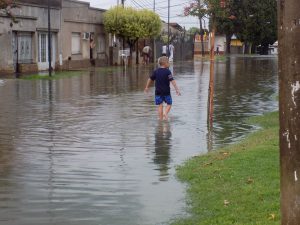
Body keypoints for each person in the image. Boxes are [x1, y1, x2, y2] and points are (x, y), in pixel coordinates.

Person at [144, 56, 181, 120]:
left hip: (158, 92)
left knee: (160, 105)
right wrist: (177, 89)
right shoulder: (168, 72)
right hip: (166, 92)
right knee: (169, 103)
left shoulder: (156, 71)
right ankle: (165, 113)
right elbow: (172, 81)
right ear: (165, 63)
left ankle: (160, 119)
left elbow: (150, 79)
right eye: (168, 62)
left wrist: (147, 87)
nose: (169, 64)